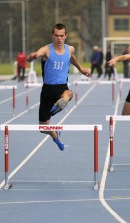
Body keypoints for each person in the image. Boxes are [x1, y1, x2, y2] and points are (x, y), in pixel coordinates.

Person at [27, 23, 91, 151]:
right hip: (47, 89)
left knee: (68, 93)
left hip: (61, 87)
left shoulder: (70, 49)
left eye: (61, 36)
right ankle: (55, 135)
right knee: (43, 128)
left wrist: (81, 69)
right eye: (56, 36)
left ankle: (62, 101)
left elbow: (71, 58)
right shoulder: (46, 49)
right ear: (52, 35)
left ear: (66, 36)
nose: (59, 38)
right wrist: (32, 56)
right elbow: (32, 57)